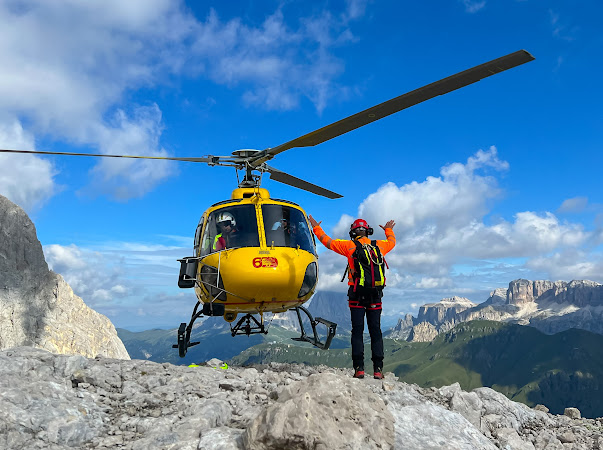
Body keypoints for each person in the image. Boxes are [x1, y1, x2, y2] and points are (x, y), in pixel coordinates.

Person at [308, 215, 396, 379]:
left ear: (353, 233)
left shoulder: (350, 246)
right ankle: (378, 370)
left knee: (357, 331)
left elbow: (327, 242)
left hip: (356, 295)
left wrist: (315, 227)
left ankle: (359, 369)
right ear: (367, 232)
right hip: (375, 296)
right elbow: (392, 242)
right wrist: (388, 229)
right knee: (375, 331)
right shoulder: (380, 246)